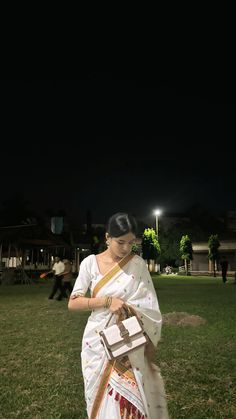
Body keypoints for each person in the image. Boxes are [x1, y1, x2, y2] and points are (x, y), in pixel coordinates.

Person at [68, 212, 169, 419]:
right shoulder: (90, 263)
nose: (126, 248)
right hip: (96, 343)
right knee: (99, 398)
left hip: (129, 340)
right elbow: (73, 302)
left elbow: (150, 307)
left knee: (129, 402)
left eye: (131, 243)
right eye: (120, 242)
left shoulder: (138, 264)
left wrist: (129, 312)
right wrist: (106, 301)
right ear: (107, 238)